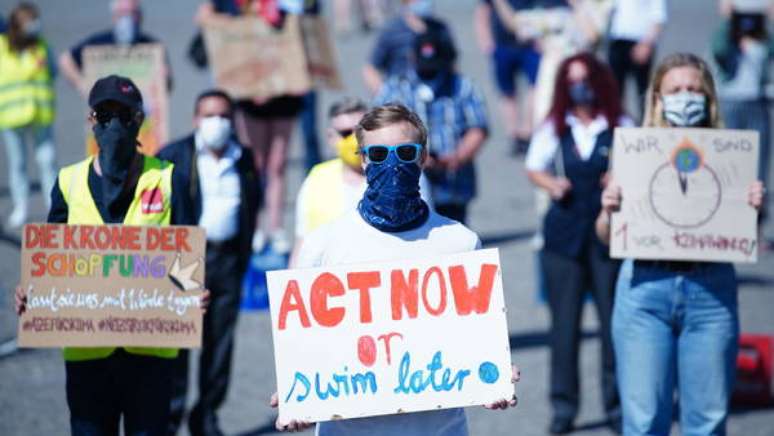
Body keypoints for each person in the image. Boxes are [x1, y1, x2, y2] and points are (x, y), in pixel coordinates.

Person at [271, 103, 518, 435]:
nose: (391, 164)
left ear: (423, 157)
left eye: (404, 152)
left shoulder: (459, 242)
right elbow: (305, 347)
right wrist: (296, 393)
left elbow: (475, 341)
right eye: (377, 154)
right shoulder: (323, 245)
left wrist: (492, 372)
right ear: (362, 159)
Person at [14, 74, 205, 436]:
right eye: (105, 115)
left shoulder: (168, 179)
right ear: (91, 121)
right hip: (88, 353)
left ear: (138, 121)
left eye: (124, 115)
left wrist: (194, 290)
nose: (114, 124)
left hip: (151, 351)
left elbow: (190, 256)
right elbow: (47, 257)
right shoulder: (68, 181)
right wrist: (30, 290)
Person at [596, 53, 766, 436]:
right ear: (657, 98)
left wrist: (752, 207)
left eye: (694, 90)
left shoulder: (730, 154)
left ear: (709, 99)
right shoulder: (634, 154)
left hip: (711, 293)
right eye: (675, 90)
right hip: (644, 290)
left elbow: (738, 233)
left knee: (707, 423)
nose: (685, 97)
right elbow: (606, 236)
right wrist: (609, 211)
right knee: (643, 422)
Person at [526, 53, 628, 434]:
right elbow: (534, 166)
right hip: (563, 236)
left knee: (613, 325)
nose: (579, 87)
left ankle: (617, 405)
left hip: (607, 236)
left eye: (585, 79)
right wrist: (551, 184)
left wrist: (621, 178)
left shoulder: (620, 125)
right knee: (564, 328)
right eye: (571, 80)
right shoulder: (555, 127)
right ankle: (563, 408)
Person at [157, 89, 260, 436]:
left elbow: (252, 204)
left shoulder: (243, 157)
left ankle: (207, 415)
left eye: (224, 116)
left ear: (233, 120)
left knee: (220, 343)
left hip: (227, 258)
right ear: (195, 119)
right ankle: (170, 416)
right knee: (178, 340)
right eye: (209, 115)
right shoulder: (174, 156)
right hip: (183, 261)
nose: (217, 122)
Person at [197, 0, 305, 254]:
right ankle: (256, 226)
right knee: (255, 162)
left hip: (283, 88)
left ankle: (276, 227)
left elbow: (302, 20)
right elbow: (206, 18)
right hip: (250, 89)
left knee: (277, 163)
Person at [375, 31, 488, 224]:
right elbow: (379, 128)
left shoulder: (463, 86)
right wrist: (413, 155)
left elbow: (478, 127)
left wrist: (459, 156)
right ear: (412, 57)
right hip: (408, 179)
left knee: (454, 231)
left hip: (453, 180)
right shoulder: (394, 88)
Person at [713, 0, 773, 220]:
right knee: (729, 159)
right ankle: (727, 212)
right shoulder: (727, 39)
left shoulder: (763, 40)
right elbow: (719, 50)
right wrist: (728, 20)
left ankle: (756, 217)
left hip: (757, 104)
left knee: (759, 161)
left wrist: (769, 19)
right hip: (730, 103)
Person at [0, 2, 57, 228]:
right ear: (17, 25)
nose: (35, 25)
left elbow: (52, 72)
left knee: (47, 161)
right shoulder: (3, 49)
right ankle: (20, 207)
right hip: (11, 117)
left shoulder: (42, 46)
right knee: (18, 164)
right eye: (29, 21)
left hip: (40, 114)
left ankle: (53, 206)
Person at [292, 98, 368, 255]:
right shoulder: (317, 178)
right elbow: (302, 242)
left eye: (360, 132)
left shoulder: (395, 176)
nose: (355, 140)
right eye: (346, 133)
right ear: (331, 138)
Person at [58, 0, 172, 98]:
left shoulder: (153, 46)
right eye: (122, 13)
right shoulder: (99, 43)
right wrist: (82, 85)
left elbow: (168, 87)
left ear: (140, 17)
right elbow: (65, 60)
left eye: (132, 13)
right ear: (114, 16)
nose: (127, 19)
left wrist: (165, 80)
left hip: (144, 116)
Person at [474, 0, 543, 154]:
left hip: (529, 44)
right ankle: (514, 134)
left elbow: (542, 10)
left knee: (536, 86)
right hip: (502, 45)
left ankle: (527, 130)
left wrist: (541, 38)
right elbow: (482, 13)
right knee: (507, 92)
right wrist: (486, 42)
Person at [362, 0, 455, 94]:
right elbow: (371, 69)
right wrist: (384, 95)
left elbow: (452, 65)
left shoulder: (440, 29)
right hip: (402, 93)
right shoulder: (392, 30)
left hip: (437, 92)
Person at [607, 0, 667, 109]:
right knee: (615, 88)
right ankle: (617, 120)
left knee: (642, 90)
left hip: (640, 40)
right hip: (617, 40)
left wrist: (647, 44)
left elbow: (658, 16)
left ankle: (646, 121)